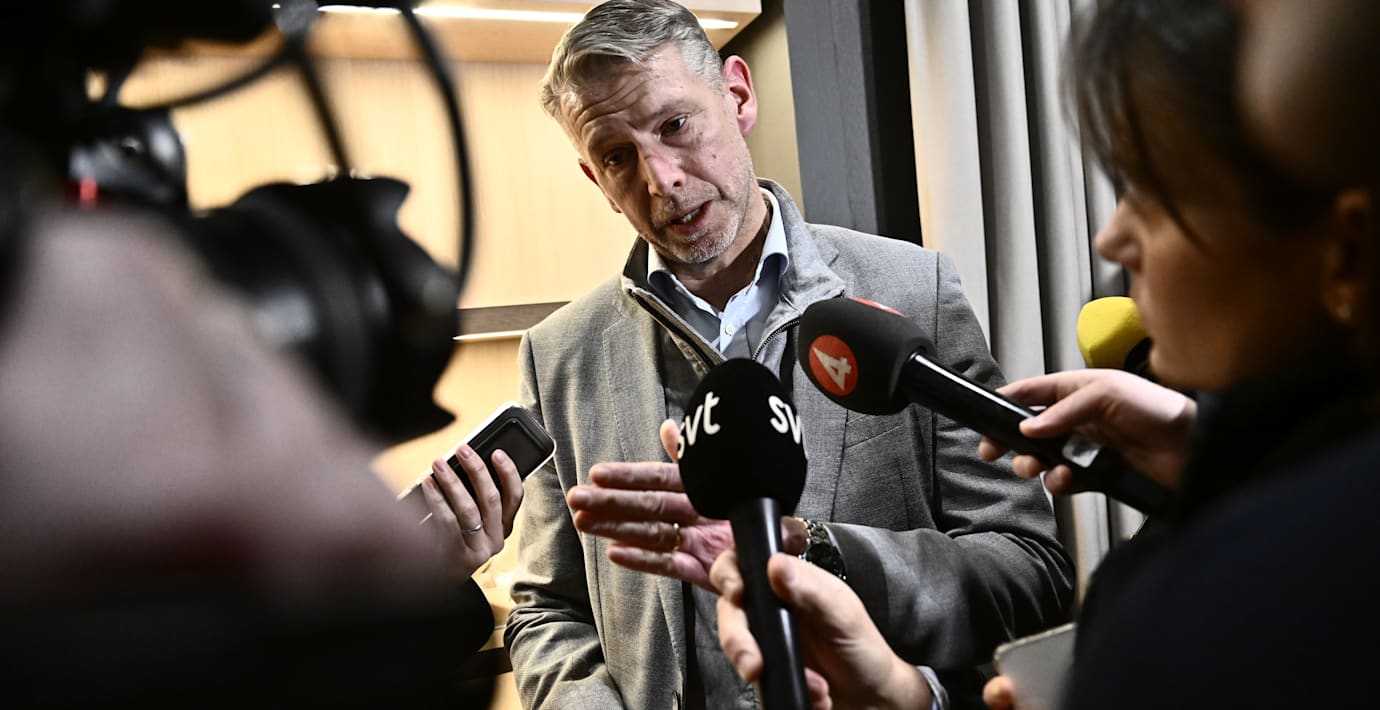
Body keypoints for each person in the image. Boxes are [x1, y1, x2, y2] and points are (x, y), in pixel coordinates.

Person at [712, 0, 1380, 708]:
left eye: (1157, 193)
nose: (1112, 239)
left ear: (1345, 254)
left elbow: (1028, 567)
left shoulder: (1234, 602)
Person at [502, 1, 1074, 708]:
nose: (661, 179)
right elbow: (546, 612)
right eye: (618, 156)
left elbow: (1029, 573)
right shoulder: (556, 356)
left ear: (738, 96)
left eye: (675, 125)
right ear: (597, 180)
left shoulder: (914, 291)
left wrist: (815, 549)